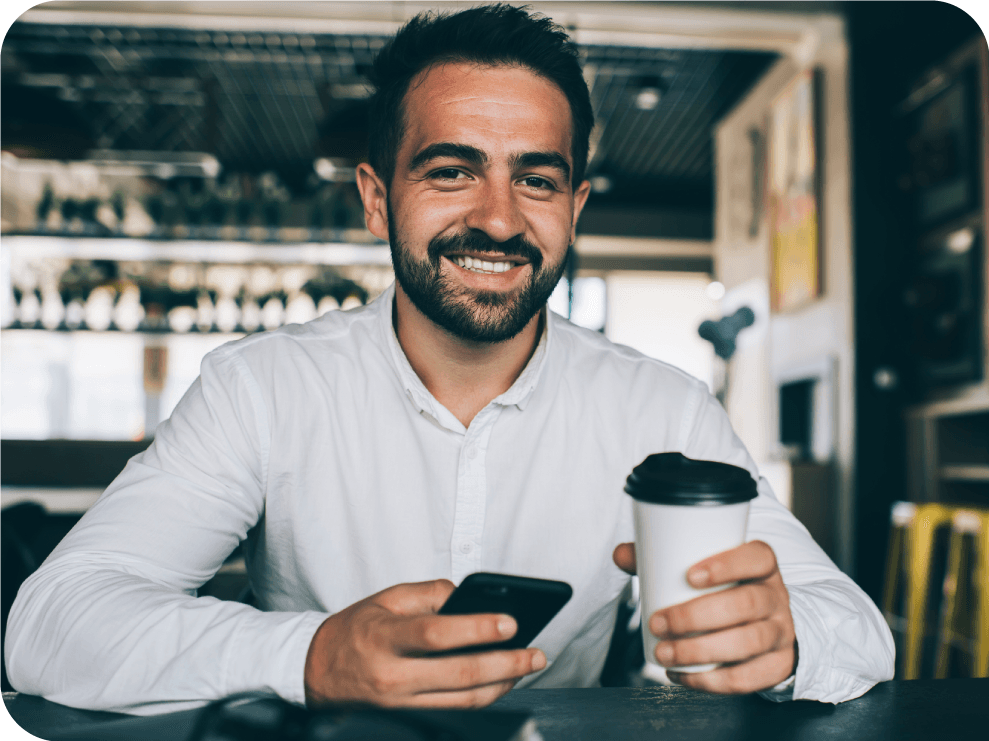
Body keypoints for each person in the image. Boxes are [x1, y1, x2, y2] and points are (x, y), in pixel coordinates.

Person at [4, 4, 893, 715]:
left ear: (573, 207)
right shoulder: (262, 387)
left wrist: (783, 641)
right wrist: (314, 654)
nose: (500, 218)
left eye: (536, 179)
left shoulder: (662, 408)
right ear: (377, 200)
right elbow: (49, 623)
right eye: (451, 170)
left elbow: (854, 628)